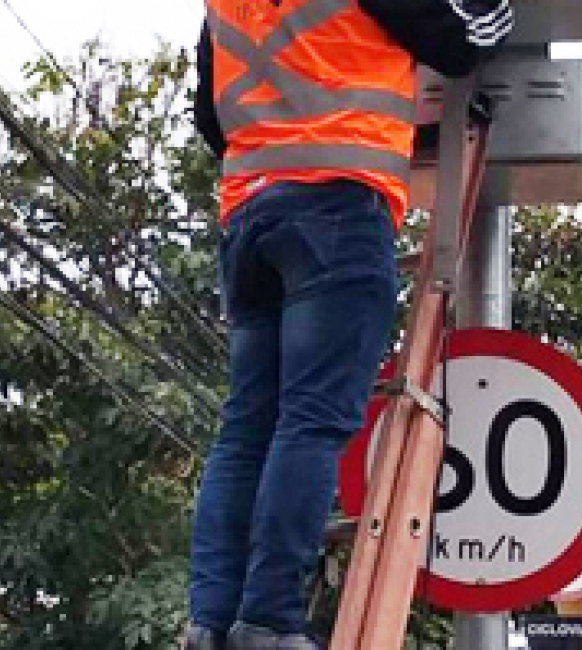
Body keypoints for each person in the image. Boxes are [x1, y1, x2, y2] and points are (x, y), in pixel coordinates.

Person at [185, 1, 514, 648]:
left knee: (247, 426)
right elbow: (459, 42)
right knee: (311, 419)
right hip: (339, 205)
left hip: (250, 215)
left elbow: (209, 115)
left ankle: (212, 620)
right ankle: (269, 619)